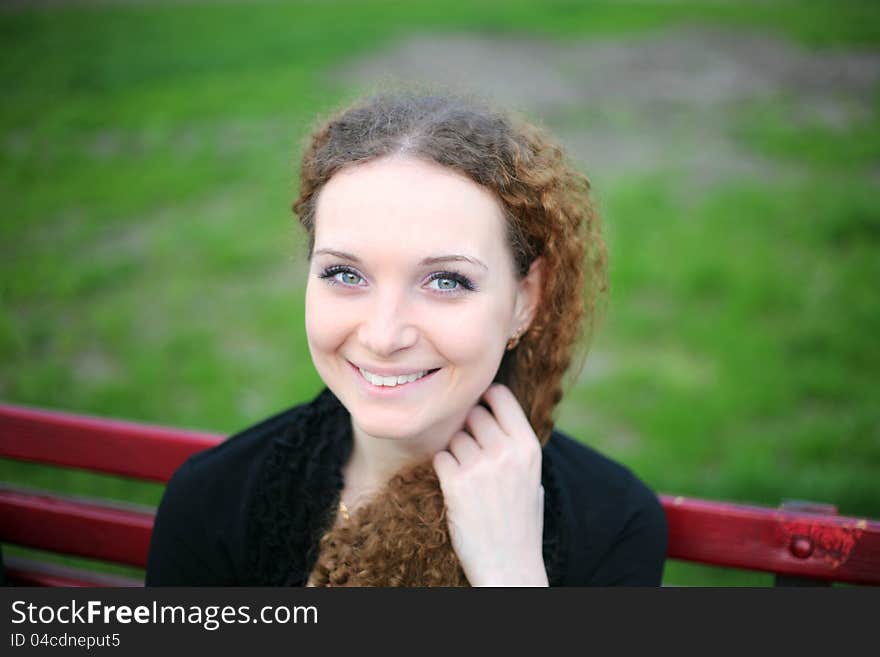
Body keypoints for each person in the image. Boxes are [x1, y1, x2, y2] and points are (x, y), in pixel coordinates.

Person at [145, 90, 668, 587]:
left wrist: (511, 576)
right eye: (345, 275)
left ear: (525, 298)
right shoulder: (215, 499)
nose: (383, 335)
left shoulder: (613, 522)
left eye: (446, 281)